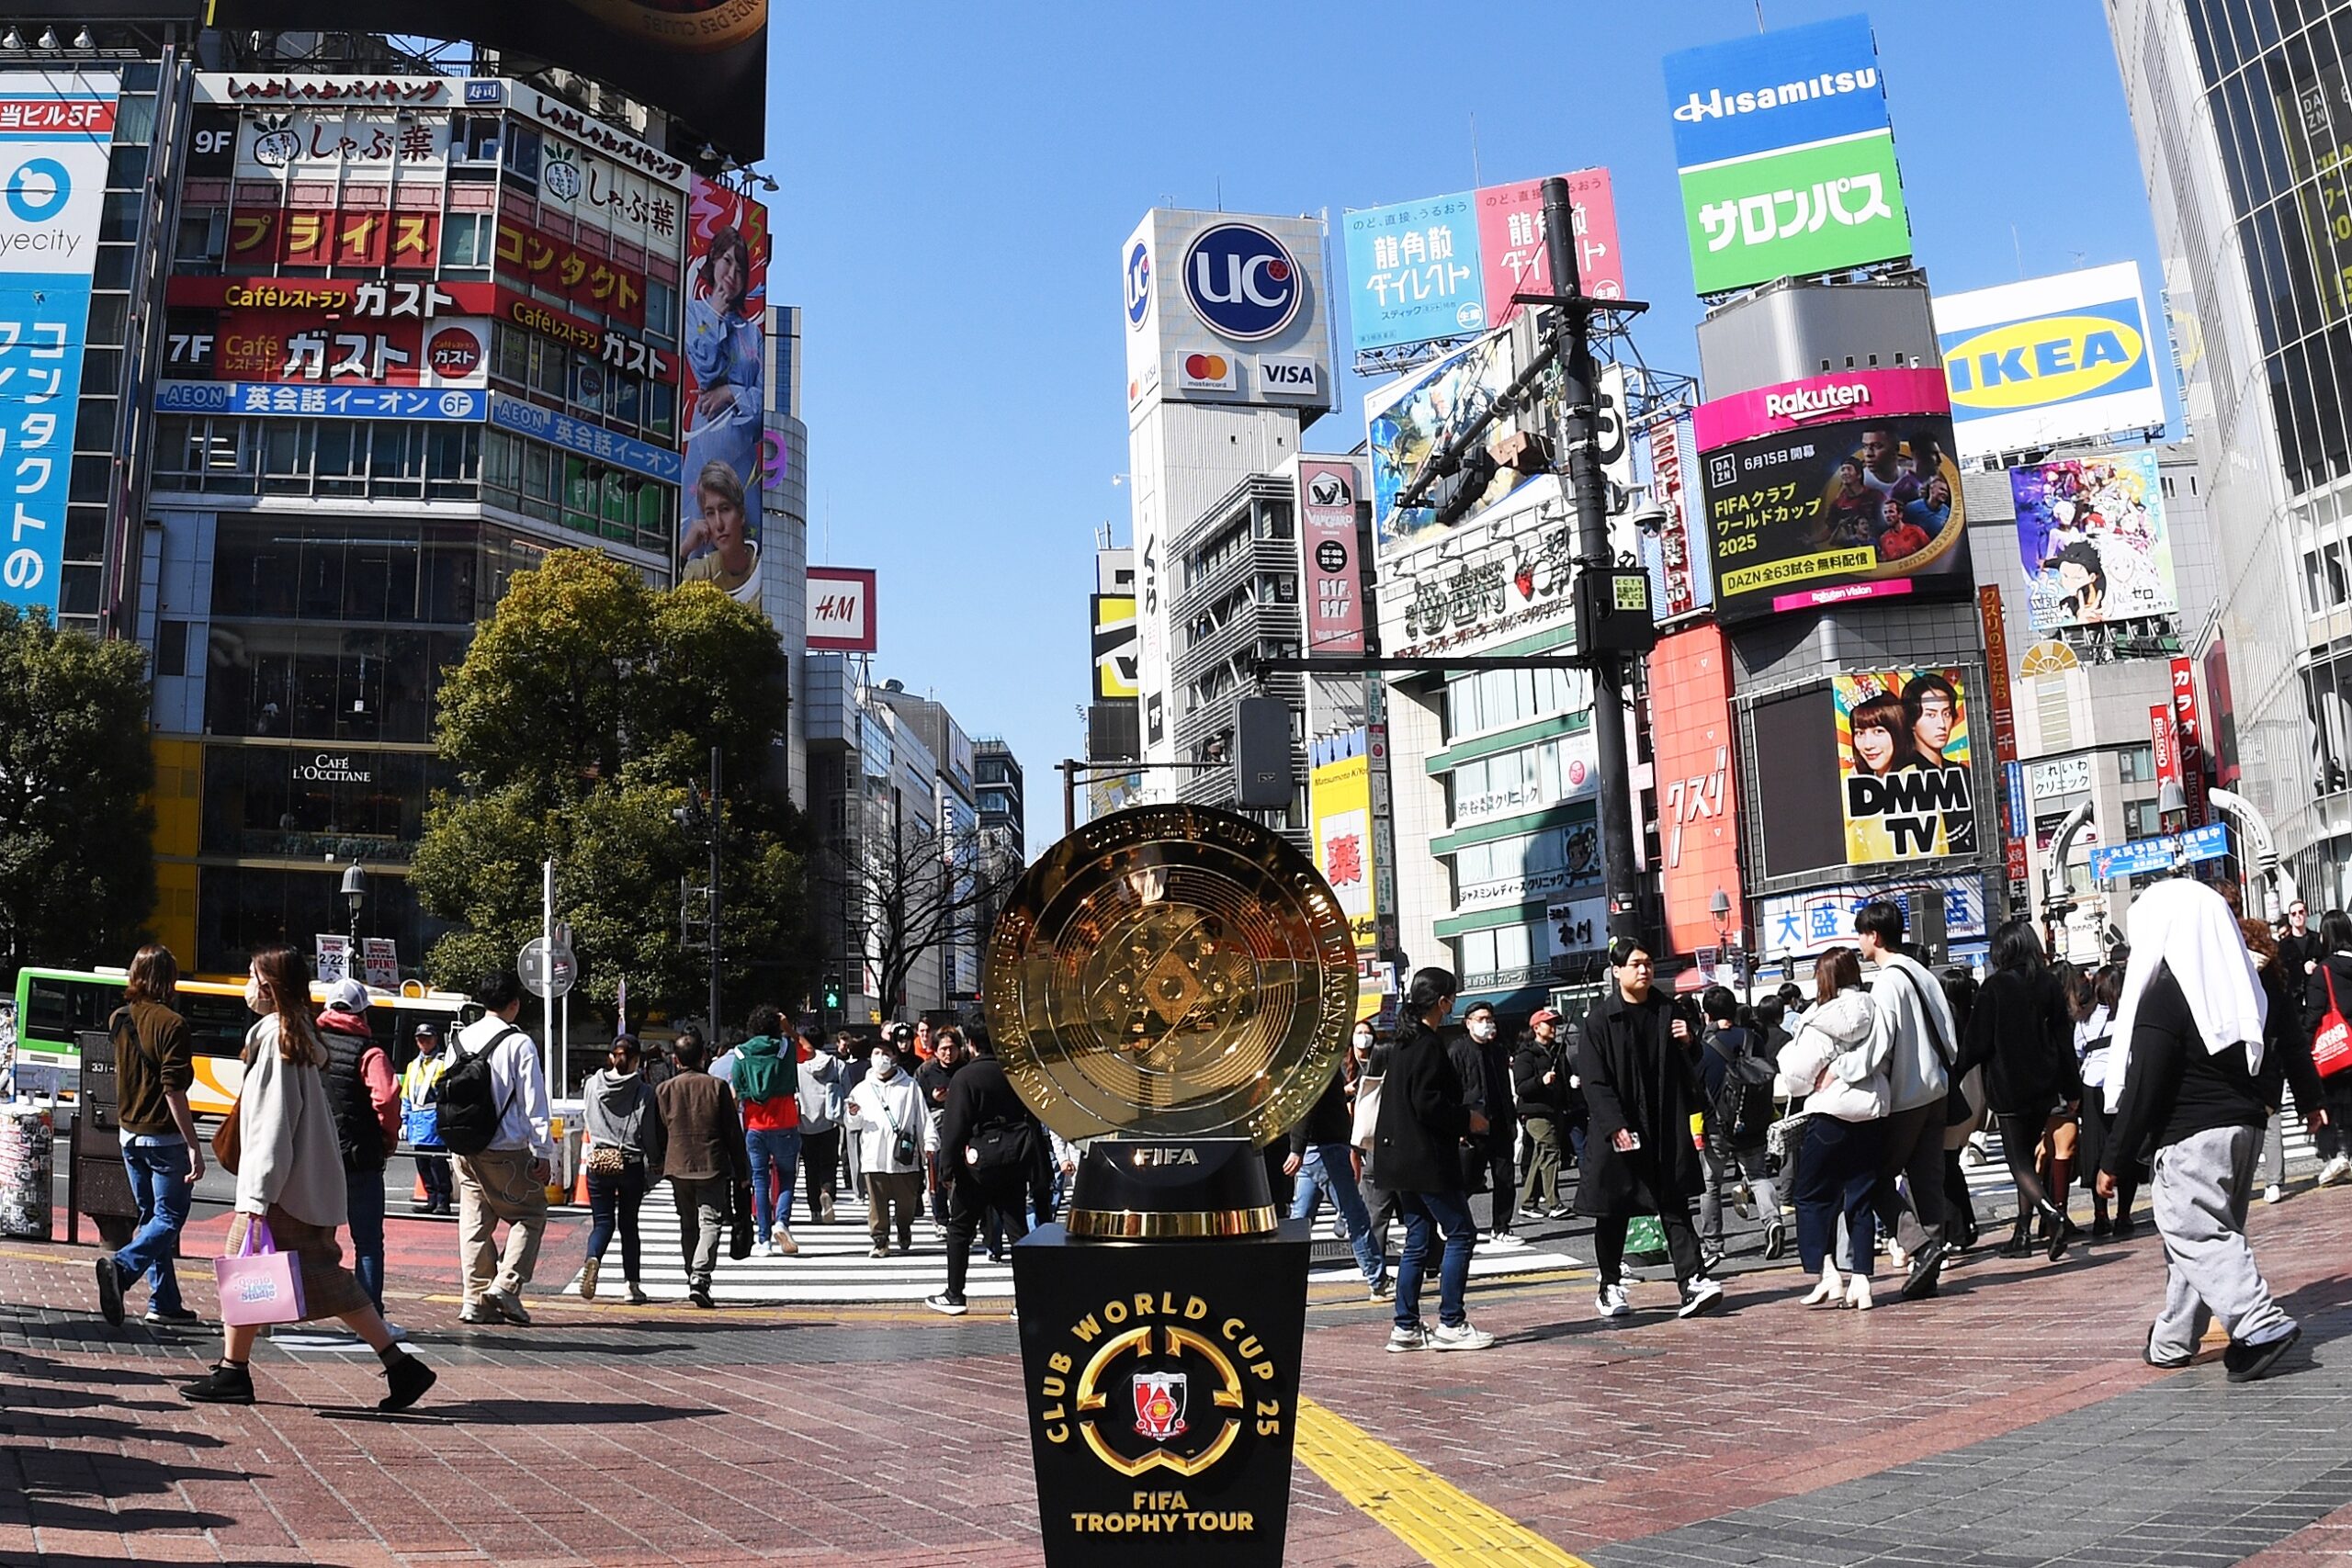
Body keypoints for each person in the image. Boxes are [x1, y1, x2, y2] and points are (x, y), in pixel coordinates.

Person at [179, 946, 433, 1410]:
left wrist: (256, 1197)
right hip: (301, 1187)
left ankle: (235, 1372)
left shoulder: (277, 1040)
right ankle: (400, 1366)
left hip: (279, 1191)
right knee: (323, 1280)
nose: (247, 984)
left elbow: (272, 1126)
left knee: (244, 1268)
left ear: (269, 985)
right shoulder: (292, 1036)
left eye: (252, 975)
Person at [2100, 879, 2315, 1382]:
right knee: (2201, 1240)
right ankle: (2173, 1338)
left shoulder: (2165, 994)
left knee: (2197, 1234)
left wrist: (2113, 1158)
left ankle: (2260, 1324)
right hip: (2242, 1129)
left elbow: (2144, 1085)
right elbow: (2275, 1049)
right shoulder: (2235, 984)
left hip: (2190, 1136)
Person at [1576, 940, 1724, 1321]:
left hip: (1664, 1123)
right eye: (1636, 964)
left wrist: (1689, 1041)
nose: (1644, 971)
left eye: (1649, 964)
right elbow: (1595, 1082)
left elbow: (1692, 1064)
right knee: (1614, 1210)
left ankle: (1692, 1280)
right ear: (1617, 971)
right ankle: (1609, 1285)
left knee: (1674, 1204)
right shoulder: (1598, 1021)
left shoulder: (1668, 1010)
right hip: (1621, 1129)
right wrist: (1615, 1126)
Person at [1832, 900, 1956, 1301]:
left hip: (1906, 1097)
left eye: (1861, 934)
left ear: (1875, 936)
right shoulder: (1923, 972)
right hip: (1937, 1089)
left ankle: (1921, 1247)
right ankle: (1928, 1266)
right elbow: (1949, 1035)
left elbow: (1877, 1046)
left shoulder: (1887, 981)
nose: (1859, 942)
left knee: (1874, 1178)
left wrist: (1840, 1069)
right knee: (1927, 1181)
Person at [1374, 967, 1493, 1352]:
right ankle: (1452, 1322)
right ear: (1442, 1001)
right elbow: (1428, 1103)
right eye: (1452, 997)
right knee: (1461, 1233)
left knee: (1418, 1239)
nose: (1453, 1004)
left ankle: (1405, 1326)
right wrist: (1466, 1119)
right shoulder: (1426, 1044)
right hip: (1425, 1159)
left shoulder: (1405, 1042)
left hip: (1400, 1159)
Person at [95, 943, 203, 1328]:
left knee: (151, 1219)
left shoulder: (118, 1019)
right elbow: (174, 1089)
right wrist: (194, 1145)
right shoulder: (173, 1024)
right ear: (168, 979)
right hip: (164, 1137)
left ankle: (164, 1301)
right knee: (169, 1218)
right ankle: (121, 1269)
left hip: (129, 1133)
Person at [1775, 948, 1889, 1309]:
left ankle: (1827, 1273)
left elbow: (1796, 1079)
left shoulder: (1819, 1019)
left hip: (1830, 1115)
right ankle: (1862, 1281)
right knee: (1860, 1198)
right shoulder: (1876, 1009)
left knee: (1811, 1196)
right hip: (1871, 1114)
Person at [1961, 920, 2082, 1260]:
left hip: (2008, 1085)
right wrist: (2072, 1089)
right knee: (2028, 1158)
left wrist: (1954, 1071)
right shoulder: (2046, 984)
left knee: (2019, 1162)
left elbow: (1976, 1043)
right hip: (2044, 1085)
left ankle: (2051, 1215)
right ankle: (2021, 1233)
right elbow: (2064, 1041)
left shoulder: (1994, 987)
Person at [450, 971, 553, 1327]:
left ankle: (474, 1300)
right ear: (514, 1004)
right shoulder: (519, 1043)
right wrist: (543, 1150)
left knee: (475, 1223)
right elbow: (533, 1100)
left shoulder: (460, 1039)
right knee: (532, 1214)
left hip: (464, 1147)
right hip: (506, 1148)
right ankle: (507, 1285)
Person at [927, 1030, 1040, 1315]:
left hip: (975, 1165)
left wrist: (948, 1168)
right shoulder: (1016, 1074)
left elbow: (955, 1127)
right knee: (1017, 1229)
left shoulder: (965, 1077)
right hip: (1013, 1160)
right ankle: (1027, 1299)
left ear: (971, 1045)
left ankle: (955, 1294)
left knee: (960, 1229)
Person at [315, 978, 401, 1323]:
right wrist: (388, 1138)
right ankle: (369, 1316)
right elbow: (387, 1098)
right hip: (358, 1158)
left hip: (316, 1158)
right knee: (366, 1242)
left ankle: (306, 1307)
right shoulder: (370, 1053)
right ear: (363, 1011)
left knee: (312, 1238)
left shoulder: (311, 1046)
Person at [1285, 1042, 1390, 1302]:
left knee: (1300, 1221)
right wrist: (1296, 1149)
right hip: (1326, 1149)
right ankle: (1377, 1280)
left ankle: (1282, 1277)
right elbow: (1306, 1111)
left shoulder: (1305, 1064)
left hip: (1313, 1151)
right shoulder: (1315, 1067)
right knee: (1355, 1215)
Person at [654, 1032, 749, 1308]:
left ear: (675, 1059)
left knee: (687, 1223)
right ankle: (701, 1275)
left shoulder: (664, 1089)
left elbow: (658, 1131)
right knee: (711, 1222)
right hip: (712, 1162)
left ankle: (691, 1274)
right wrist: (742, 1171)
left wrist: (659, 1159)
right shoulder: (716, 1087)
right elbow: (733, 1133)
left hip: (677, 1164)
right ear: (704, 1057)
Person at [1696, 986, 1783, 1264]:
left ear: (1706, 1014)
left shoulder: (1702, 1047)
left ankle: (1713, 1245)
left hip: (1717, 1126)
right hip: (1752, 1122)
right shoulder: (1753, 1038)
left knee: (1711, 1184)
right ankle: (1772, 1222)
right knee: (1758, 1175)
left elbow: (1696, 1086)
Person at [580, 1037, 662, 1304]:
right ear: (636, 1059)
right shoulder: (644, 1091)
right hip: (630, 1163)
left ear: (611, 1057)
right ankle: (632, 1286)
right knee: (629, 1225)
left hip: (599, 1160)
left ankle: (593, 1257)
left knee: (602, 1222)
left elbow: (587, 1117)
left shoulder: (592, 1084)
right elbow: (648, 1131)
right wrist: (655, 1160)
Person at [847, 1038, 933, 1258]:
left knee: (907, 1203)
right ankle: (880, 1239)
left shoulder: (910, 1086)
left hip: (903, 1156)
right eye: (876, 1053)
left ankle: (904, 1227)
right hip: (873, 1155)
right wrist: (853, 1114)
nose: (881, 1058)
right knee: (877, 1205)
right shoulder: (862, 1089)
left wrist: (929, 1142)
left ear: (894, 1058)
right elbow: (853, 1124)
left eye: (886, 1053)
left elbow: (921, 1117)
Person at [729, 1005, 802, 1258]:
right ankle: (781, 1222)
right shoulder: (786, 1047)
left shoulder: (740, 1053)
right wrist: (789, 1029)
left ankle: (764, 1240)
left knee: (759, 1181)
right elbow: (810, 1052)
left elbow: (735, 1092)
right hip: (785, 1122)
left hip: (754, 1125)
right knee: (787, 1177)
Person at [2076, 967, 2134, 1236]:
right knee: (2125, 1146)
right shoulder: (2129, 1014)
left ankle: (2101, 1216)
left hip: (2092, 1086)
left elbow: (2077, 1049)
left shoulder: (2085, 1019)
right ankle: (2124, 1215)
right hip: (2124, 1083)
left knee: (2096, 1150)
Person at [1461, 1002, 1522, 1247]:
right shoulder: (1458, 1050)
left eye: (1490, 1019)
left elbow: (1506, 1090)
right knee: (1470, 1179)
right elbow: (1454, 1090)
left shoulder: (1498, 1051)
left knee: (1505, 1178)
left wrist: (1512, 1120)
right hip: (1473, 1125)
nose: (1487, 1023)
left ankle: (1502, 1227)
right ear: (1468, 1022)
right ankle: (1453, 1221)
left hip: (1500, 1124)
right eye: (1481, 1018)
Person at [2304, 909, 2352, 1189]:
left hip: (2340, 1051)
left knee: (2337, 1105)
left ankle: (2339, 1155)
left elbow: (2312, 1016)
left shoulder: (2324, 971)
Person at [1512, 1012, 1571, 1221]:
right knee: (1550, 1151)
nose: (1553, 1027)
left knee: (1541, 1156)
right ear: (1536, 1027)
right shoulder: (1526, 1055)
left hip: (1555, 1109)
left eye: (1555, 1023)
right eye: (1549, 1023)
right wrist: (1541, 1081)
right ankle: (1554, 1203)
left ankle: (1528, 1203)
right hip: (1535, 1112)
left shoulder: (1557, 1051)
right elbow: (1521, 1087)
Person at [678, 460, 760, 609]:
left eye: (725, 509)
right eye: (710, 513)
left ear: (741, 514)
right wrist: (685, 549)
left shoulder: (763, 572)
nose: (719, 524)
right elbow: (665, 595)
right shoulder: (699, 573)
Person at [401, 1022, 454, 1215]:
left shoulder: (443, 1063)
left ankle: (443, 1201)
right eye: (420, 1038)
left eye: (428, 1038)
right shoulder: (412, 1065)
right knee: (422, 1163)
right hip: (417, 1121)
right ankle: (431, 1199)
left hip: (434, 1120)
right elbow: (406, 1094)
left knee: (437, 1163)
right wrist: (404, 1120)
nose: (424, 1042)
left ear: (435, 1039)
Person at [916, 1027, 965, 1232]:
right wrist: (933, 1099)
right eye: (943, 1049)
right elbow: (916, 1102)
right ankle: (941, 1218)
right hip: (935, 1128)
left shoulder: (966, 1069)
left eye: (952, 1048)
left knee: (961, 1176)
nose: (948, 1053)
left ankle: (960, 1216)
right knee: (936, 1173)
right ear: (935, 1051)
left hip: (962, 1129)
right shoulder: (926, 1071)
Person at [797, 1031, 845, 1225]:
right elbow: (847, 1091)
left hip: (805, 1122)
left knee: (810, 1167)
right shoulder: (836, 1064)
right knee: (829, 1163)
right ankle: (827, 1191)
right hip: (830, 1122)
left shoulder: (798, 1066)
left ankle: (815, 1210)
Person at [1848, 692, 1923, 778]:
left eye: (1878, 732)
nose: (1868, 745)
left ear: (1899, 732)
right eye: (1860, 733)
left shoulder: (1916, 778)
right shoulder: (1855, 777)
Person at [1904, 672, 1962, 768]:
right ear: (1911, 721)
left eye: (1946, 714)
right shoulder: (1906, 774)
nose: (1942, 724)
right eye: (1931, 715)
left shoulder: (1961, 772)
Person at [2053, 539, 2109, 622]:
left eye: (2078, 578)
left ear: (2092, 577)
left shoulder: (2101, 590)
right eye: (2065, 576)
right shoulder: (2065, 599)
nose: (2069, 583)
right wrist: (2079, 614)